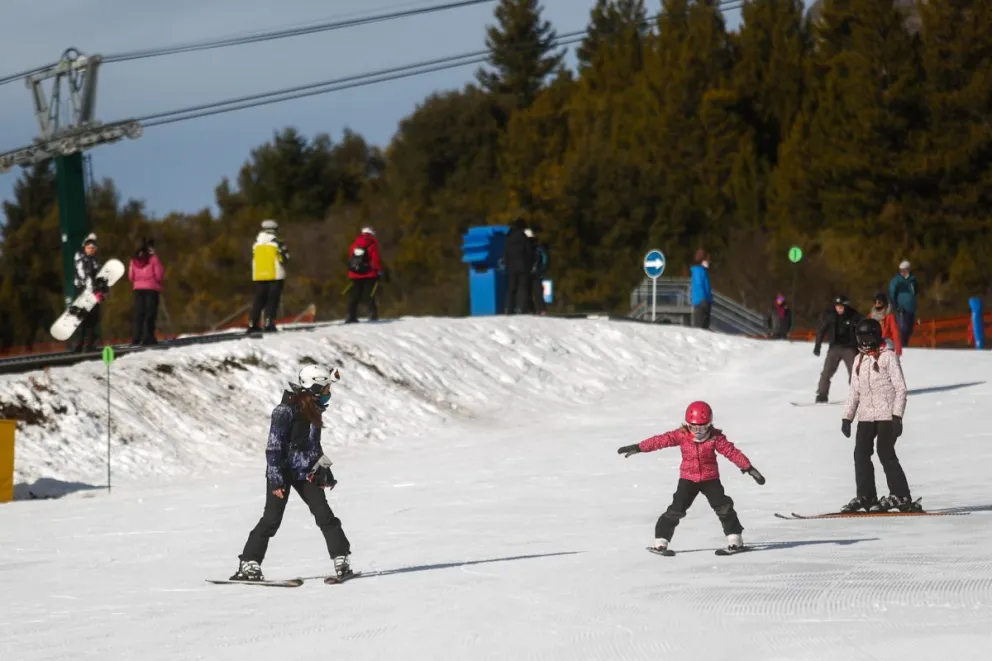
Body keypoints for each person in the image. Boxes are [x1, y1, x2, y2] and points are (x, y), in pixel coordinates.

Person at [231, 365, 355, 582]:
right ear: (314, 387)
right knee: (271, 519)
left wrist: (324, 471)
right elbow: (273, 448)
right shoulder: (284, 411)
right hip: (281, 472)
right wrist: (277, 481)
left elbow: (313, 446)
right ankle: (248, 563)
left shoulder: (314, 409)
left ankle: (341, 558)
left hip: (306, 472)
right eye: (326, 389)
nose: (329, 393)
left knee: (324, 514)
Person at [616, 401, 765, 553]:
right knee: (676, 510)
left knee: (724, 508)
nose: (698, 432)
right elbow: (660, 441)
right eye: (694, 427)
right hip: (688, 479)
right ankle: (661, 542)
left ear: (709, 425)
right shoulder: (681, 436)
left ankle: (735, 540)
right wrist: (639, 447)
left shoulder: (716, 438)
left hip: (710, 479)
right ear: (687, 425)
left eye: (703, 427)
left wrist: (748, 467)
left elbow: (732, 453)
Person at [838, 318, 918, 513]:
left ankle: (901, 495)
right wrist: (847, 417)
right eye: (860, 337)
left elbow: (901, 389)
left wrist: (897, 416)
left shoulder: (888, 357)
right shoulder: (859, 359)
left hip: (887, 415)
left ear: (876, 336)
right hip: (866, 415)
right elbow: (854, 392)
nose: (864, 342)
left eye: (868, 337)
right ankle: (866, 496)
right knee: (860, 454)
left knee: (885, 452)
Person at [813, 295, 862, 403]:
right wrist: (818, 345)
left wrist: (862, 346)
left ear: (846, 306)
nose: (838, 309)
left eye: (841, 307)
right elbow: (822, 330)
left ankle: (857, 394)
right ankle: (822, 394)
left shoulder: (854, 316)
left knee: (855, 372)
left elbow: (862, 330)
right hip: (834, 347)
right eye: (837, 307)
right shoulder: (831, 316)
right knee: (826, 372)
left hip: (850, 348)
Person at [248, 219, 290, 333]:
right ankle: (268, 323)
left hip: (259, 276)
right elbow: (285, 258)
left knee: (258, 301)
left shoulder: (256, 244)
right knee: (272, 300)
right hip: (275, 275)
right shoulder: (277, 243)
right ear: (275, 230)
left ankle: (252, 323)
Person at [71, 233, 107, 352]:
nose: (91, 250)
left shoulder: (95, 261)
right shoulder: (82, 260)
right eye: (89, 248)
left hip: (94, 294)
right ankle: (80, 343)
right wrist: (93, 290)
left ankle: (89, 343)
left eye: (93, 248)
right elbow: (85, 277)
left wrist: (103, 290)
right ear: (85, 248)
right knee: (84, 318)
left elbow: (100, 277)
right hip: (85, 293)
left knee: (93, 318)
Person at [127, 238, 165, 345]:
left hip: (138, 289)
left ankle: (136, 338)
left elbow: (131, 276)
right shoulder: (153, 259)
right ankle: (148, 337)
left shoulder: (134, 259)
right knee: (150, 314)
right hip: (151, 289)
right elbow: (159, 275)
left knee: (138, 314)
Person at [345, 227, 384, 323]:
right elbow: (375, 260)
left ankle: (351, 315)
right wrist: (379, 271)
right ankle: (372, 314)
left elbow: (351, 258)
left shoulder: (354, 244)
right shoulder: (372, 245)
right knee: (369, 294)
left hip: (355, 274)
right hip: (369, 274)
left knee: (354, 295)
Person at [503, 218, 534, 314]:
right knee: (523, 288)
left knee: (511, 289)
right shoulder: (523, 237)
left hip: (511, 267)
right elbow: (529, 252)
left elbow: (505, 253)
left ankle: (509, 309)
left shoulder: (509, 238)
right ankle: (522, 308)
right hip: (523, 266)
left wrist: (507, 264)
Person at [526, 227, 550, 315]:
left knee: (532, 292)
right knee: (536, 293)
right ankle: (540, 309)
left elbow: (544, 259)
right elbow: (545, 259)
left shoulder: (535, 248)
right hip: (536, 273)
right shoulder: (537, 247)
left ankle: (533, 310)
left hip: (531, 273)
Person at [690, 249, 712, 329]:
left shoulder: (702, 271)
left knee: (704, 327)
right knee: (700, 327)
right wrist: (704, 299)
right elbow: (699, 286)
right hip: (701, 302)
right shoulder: (699, 271)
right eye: (708, 260)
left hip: (705, 301)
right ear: (702, 260)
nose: (709, 262)